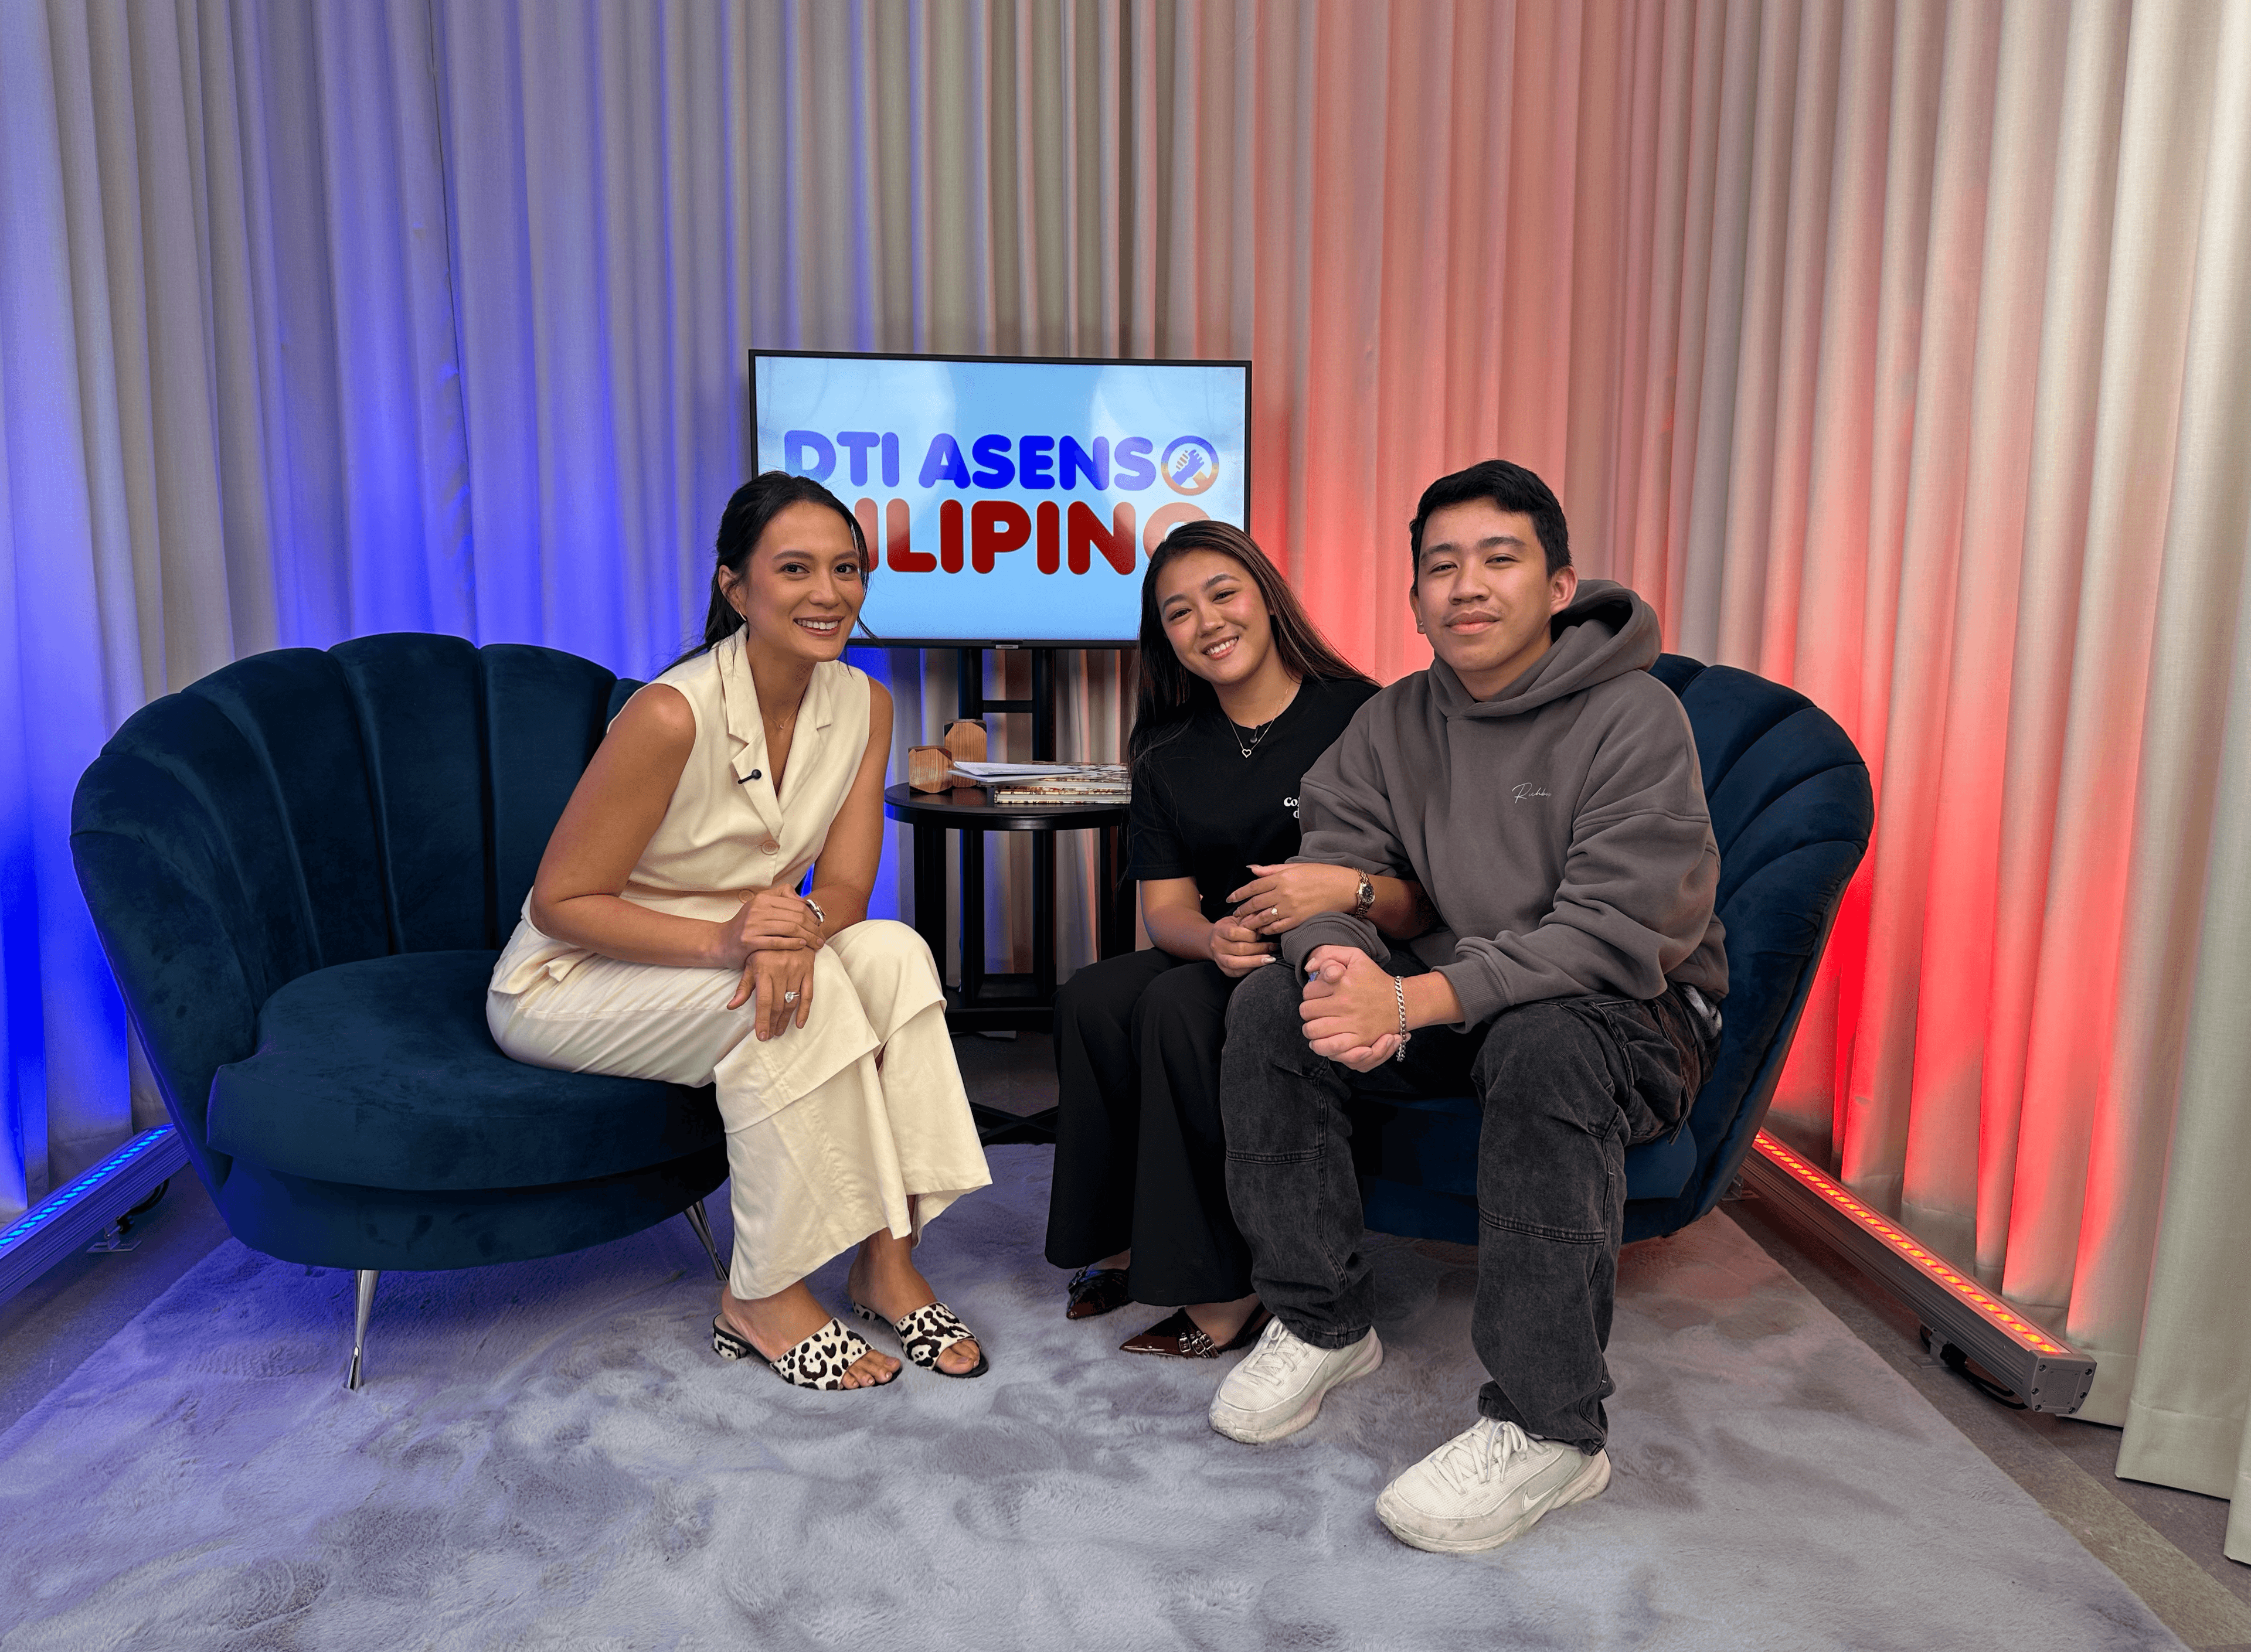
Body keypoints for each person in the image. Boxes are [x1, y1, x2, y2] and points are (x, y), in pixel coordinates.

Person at [1209, 459, 1728, 1552]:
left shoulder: (1636, 717)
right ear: (1413, 599)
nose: (1467, 586)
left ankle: (1553, 1429)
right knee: (1269, 1009)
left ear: (1558, 584)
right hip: (1450, 1001)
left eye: (1500, 559)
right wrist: (1337, 972)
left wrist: (1413, 998)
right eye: (1440, 567)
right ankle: (1319, 1317)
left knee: (1543, 1044)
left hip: (1632, 1014)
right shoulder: (1398, 723)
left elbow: (1611, 934)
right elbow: (1333, 862)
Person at [486, 472, 992, 1392]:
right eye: (795, 568)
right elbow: (562, 902)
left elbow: (842, 884)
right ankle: (761, 1292)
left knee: (893, 954)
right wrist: (734, 943)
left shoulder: (866, 706)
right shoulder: (672, 712)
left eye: (847, 568)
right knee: (804, 993)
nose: (828, 593)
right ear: (736, 588)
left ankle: (887, 1256)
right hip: (576, 977)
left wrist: (797, 930)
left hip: (750, 947)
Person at [1043, 522, 1430, 1360]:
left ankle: (1230, 1283)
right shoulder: (1167, 750)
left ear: (1265, 596)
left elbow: (1424, 896)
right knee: (1093, 997)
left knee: (1177, 1010)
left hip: (1336, 954)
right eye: (1179, 613)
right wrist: (1211, 938)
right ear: (1166, 640)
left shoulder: (1365, 713)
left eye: (1224, 594)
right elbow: (1167, 911)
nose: (1208, 621)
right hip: (1229, 946)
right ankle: (1123, 1242)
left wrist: (1331, 900)